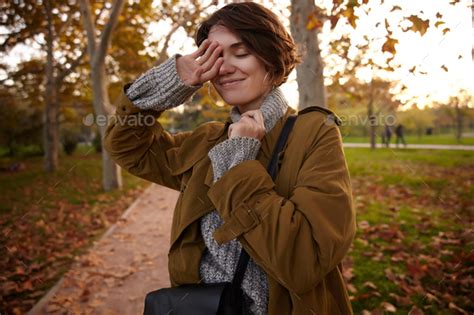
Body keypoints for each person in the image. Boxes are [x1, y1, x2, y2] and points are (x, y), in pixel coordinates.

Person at [104, 2, 356, 314]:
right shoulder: (207, 140)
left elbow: (304, 259)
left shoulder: (316, 132)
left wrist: (239, 162)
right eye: (215, 55)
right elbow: (128, 146)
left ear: (273, 61)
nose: (224, 67)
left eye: (241, 52)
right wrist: (170, 82)